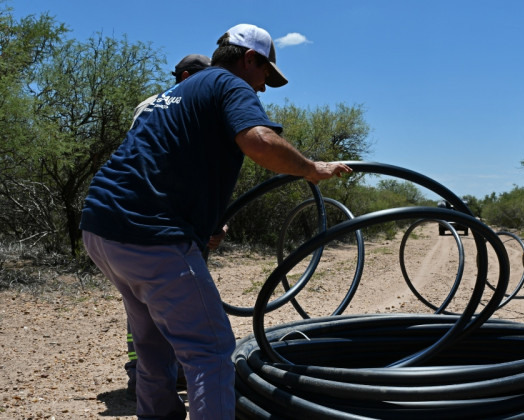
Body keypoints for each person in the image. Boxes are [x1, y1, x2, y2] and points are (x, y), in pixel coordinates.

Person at [80, 23, 352, 420]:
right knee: (209, 350)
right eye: (264, 75)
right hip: (150, 234)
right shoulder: (230, 84)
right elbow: (258, 140)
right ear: (249, 60)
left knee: (154, 345)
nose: (261, 87)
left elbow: (164, 162)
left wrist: (204, 223)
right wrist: (311, 168)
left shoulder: (177, 92)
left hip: (102, 226)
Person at [123, 53, 212, 402]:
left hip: (132, 219)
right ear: (186, 76)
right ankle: (171, 374)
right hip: (167, 222)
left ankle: (145, 377)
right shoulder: (188, 109)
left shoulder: (148, 106)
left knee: (142, 306)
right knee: (179, 302)